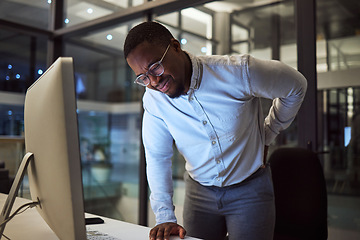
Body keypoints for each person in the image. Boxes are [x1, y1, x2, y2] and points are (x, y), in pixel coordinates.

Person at [124, 21, 307, 240]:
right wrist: (165, 215)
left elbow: (296, 86)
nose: (154, 81)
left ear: (175, 47)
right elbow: (157, 156)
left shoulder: (238, 72)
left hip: (250, 189)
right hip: (198, 193)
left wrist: (269, 132)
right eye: (143, 77)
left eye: (155, 66)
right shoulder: (153, 100)